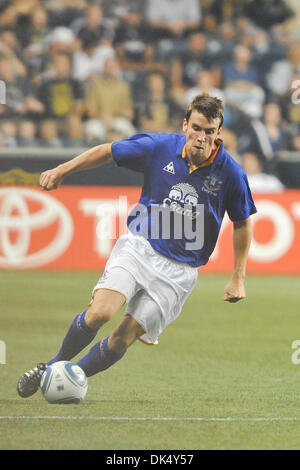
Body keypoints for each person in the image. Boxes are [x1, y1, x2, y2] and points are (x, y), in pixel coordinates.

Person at [17, 94, 257, 398]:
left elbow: (242, 222)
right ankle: (50, 368)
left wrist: (238, 276)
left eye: (210, 131)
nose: (201, 137)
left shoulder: (231, 173)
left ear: (218, 133)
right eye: (196, 128)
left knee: (121, 339)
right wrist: (62, 170)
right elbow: (108, 151)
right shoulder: (159, 147)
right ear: (185, 124)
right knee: (100, 313)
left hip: (180, 273)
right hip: (140, 248)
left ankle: (71, 376)